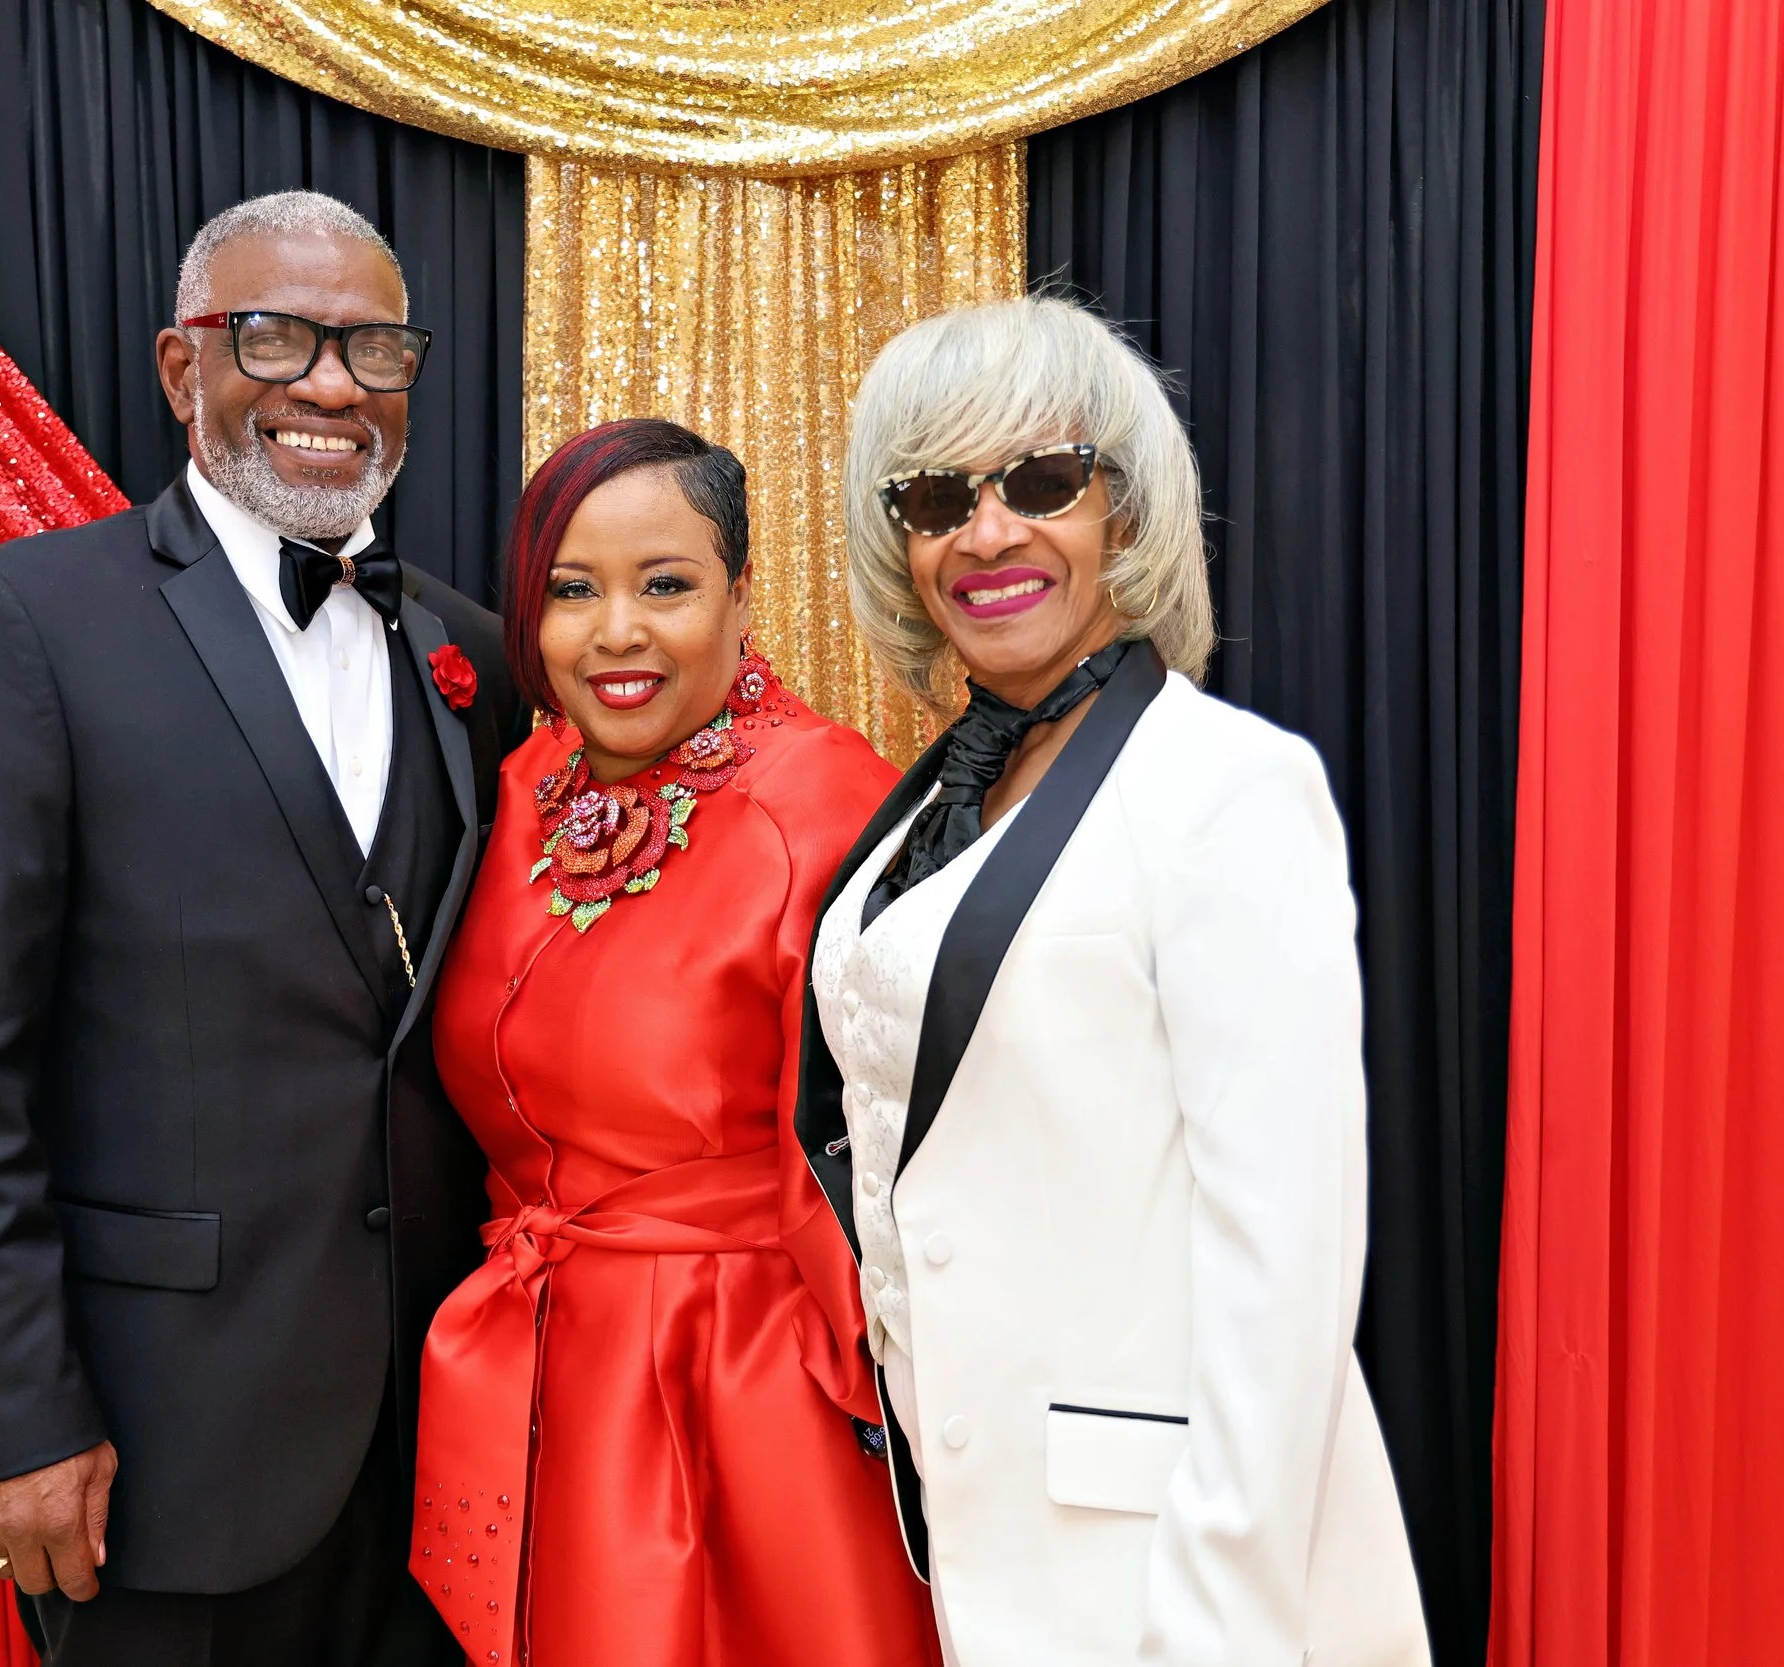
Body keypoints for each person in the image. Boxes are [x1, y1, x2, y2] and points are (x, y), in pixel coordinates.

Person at [0, 190, 526, 1666]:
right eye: (277, 336)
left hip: (442, 1453)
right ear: (182, 370)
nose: (333, 384)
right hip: (156, 1451)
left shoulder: (469, 650)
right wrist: (12, 1412)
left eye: (374, 347)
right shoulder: (22, 624)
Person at [796, 296, 1431, 1667]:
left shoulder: (1229, 787)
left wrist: (1214, 1625)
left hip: (1177, 1577)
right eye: (934, 496)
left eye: (1041, 481)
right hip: (987, 1547)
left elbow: (1286, 1272)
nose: (988, 531)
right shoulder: (933, 802)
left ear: (1127, 515)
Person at [407, 419, 940, 1667]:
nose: (617, 633)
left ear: (742, 595)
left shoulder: (831, 805)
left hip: (756, 1391)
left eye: (667, 586)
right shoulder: (532, 780)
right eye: (571, 591)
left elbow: (904, 1156)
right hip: (546, 1366)